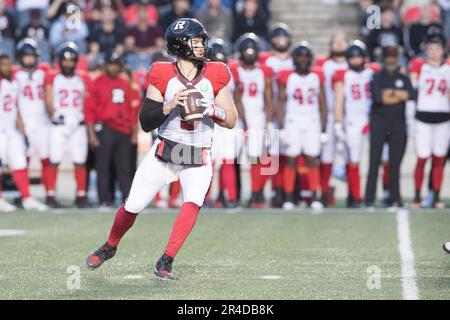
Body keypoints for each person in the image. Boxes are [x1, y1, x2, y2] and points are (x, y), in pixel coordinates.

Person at [85, 18, 237, 280]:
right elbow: (146, 122)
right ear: (181, 44)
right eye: (196, 41)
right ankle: (110, 245)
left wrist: (210, 109)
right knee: (133, 205)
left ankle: (166, 259)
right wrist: (169, 106)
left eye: (202, 40)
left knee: (192, 202)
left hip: (197, 155)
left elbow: (232, 119)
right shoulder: (162, 73)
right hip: (165, 153)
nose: (202, 45)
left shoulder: (216, 72)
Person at [84, 50, 138, 208]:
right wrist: (92, 134)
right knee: (103, 166)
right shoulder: (96, 83)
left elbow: (132, 110)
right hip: (105, 128)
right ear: (105, 65)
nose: (113, 68)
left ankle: (127, 200)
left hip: (124, 130)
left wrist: (134, 132)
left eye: (116, 65)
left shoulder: (124, 83)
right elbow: (89, 111)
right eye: (111, 65)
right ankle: (104, 200)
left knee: (125, 167)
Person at [277, 42, 327, 210]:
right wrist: (282, 126)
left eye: (306, 57)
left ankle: (315, 197)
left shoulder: (316, 77)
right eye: (300, 56)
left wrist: (324, 128)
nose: (303, 60)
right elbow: (281, 102)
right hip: (293, 120)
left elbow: (323, 103)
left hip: (312, 119)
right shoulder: (288, 77)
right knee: (291, 158)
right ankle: (289, 198)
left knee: (312, 158)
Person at [364, 44, 415, 208]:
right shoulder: (376, 77)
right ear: (384, 59)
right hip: (379, 123)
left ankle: (395, 198)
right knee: (374, 162)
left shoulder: (404, 77)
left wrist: (391, 93)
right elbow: (380, 98)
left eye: (393, 57)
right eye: (388, 57)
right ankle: (369, 199)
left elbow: (412, 95)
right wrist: (399, 95)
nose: (391, 60)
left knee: (395, 164)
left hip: (398, 125)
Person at [44, 42, 91, 208]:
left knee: (79, 160)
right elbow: (48, 99)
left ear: (76, 61)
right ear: (59, 61)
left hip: (78, 123)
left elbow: (87, 98)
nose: (68, 63)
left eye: (71, 60)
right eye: (65, 60)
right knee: (54, 159)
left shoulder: (82, 78)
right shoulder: (53, 77)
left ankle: (81, 196)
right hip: (59, 122)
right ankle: (50, 195)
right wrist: (53, 114)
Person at [333, 40, 379, 208]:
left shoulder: (373, 71)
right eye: (352, 57)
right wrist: (338, 122)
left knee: (376, 158)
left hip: (373, 117)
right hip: (353, 118)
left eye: (358, 57)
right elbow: (339, 100)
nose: (355, 60)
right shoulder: (343, 75)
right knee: (353, 159)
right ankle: (355, 196)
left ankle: (372, 195)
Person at [229, 32, 273, 208]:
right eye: (246, 51)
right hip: (237, 116)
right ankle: (233, 195)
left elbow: (268, 97)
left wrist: (269, 121)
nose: (249, 54)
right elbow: (236, 94)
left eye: (252, 51)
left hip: (257, 117)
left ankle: (256, 194)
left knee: (256, 157)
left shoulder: (264, 71)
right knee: (231, 157)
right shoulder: (234, 69)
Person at [0, 53, 48, 212]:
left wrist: (21, 125)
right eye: (3, 65)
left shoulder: (13, 82)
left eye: (8, 64)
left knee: (20, 162)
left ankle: (26, 197)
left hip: (12, 129)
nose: (6, 68)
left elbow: (15, 107)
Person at [409, 32, 450, 209]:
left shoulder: (448, 68)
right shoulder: (419, 66)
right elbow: (412, 90)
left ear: (443, 50)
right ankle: (417, 196)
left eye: (437, 48)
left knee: (439, 158)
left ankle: (436, 196)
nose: (433, 52)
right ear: (426, 49)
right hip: (423, 117)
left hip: (443, 118)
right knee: (422, 158)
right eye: (431, 48)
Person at [14, 38, 53, 203]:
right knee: (23, 159)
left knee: (46, 158)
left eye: (31, 55)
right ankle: (23, 194)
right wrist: (18, 121)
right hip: (25, 122)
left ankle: (49, 194)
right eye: (26, 55)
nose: (29, 59)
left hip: (43, 121)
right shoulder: (15, 74)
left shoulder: (43, 71)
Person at [260, 22, 293, 208]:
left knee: (290, 153)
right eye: (277, 37)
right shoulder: (267, 60)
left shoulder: (294, 59)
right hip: (272, 108)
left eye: (283, 37)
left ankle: (290, 191)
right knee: (272, 154)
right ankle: (274, 190)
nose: (281, 41)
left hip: (293, 110)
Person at [317, 31, 348, 207]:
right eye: (335, 41)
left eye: (341, 41)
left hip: (349, 115)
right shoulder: (323, 64)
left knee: (350, 156)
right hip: (328, 113)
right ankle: (325, 190)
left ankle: (353, 194)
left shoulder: (353, 64)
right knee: (326, 155)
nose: (338, 44)